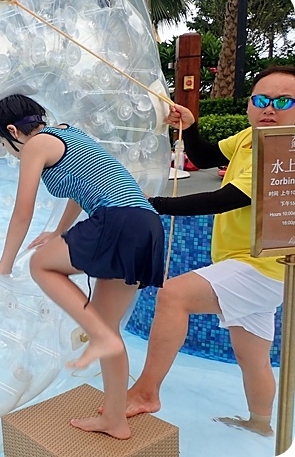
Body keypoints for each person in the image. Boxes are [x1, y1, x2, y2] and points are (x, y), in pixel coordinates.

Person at [122, 65, 295, 437]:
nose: (270, 108)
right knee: (253, 358)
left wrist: (151, 202)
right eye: (261, 100)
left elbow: (224, 200)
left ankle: (146, 392)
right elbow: (203, 157)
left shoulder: (286, 153)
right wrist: (190, 125)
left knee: (173, 296)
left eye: (283, 101)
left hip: (262, 268)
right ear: (250, 105)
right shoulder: (251, 138)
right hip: (250, 266)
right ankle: (260, 425)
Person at [0, 94, 165, 439]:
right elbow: (80, 187)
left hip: (118, 220)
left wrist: (4, 265)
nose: (12, 152)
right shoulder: (69, 133)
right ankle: (115, 420)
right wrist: (59, 231)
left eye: (7, 144)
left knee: (41, 264)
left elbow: (23, 210)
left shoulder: (36, 144)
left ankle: (97, 336)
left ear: (12, 130)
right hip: (145, 223)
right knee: (109, 330)